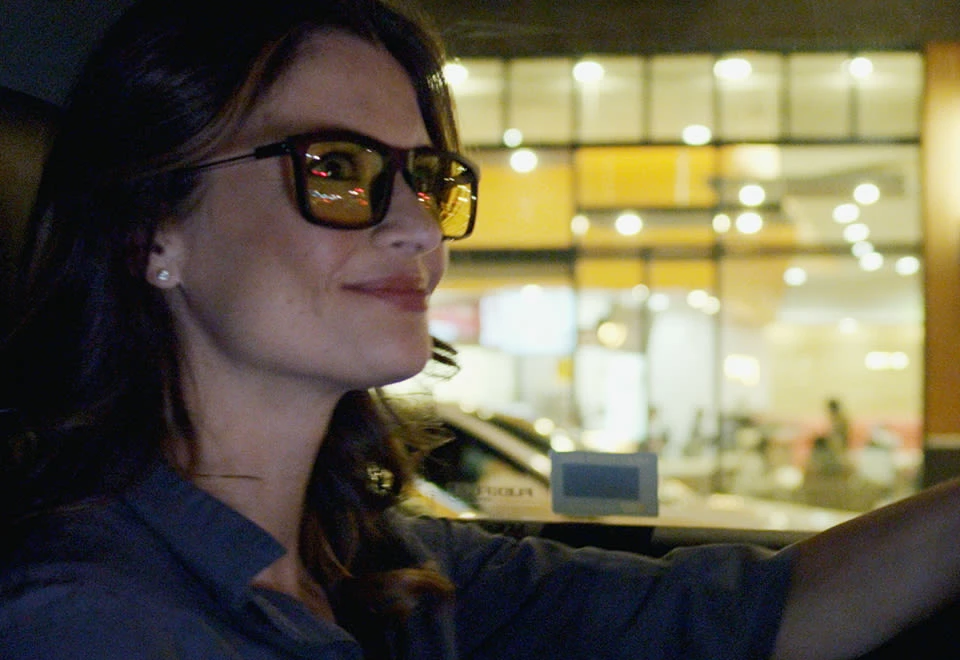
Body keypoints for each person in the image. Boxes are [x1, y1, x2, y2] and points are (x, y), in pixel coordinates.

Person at [1, 1, 960, 658]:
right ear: (152, 230)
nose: (417, 227)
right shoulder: (82, 616)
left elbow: (733, 618)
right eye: (336, 168)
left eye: (428, 179)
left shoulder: (380, 565)